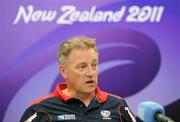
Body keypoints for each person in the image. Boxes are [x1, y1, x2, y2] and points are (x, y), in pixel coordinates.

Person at [20, 36, 136, 122]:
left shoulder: (118, 105)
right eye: (82, 67)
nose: (91, 73)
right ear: (63, 71)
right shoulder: (40, 109)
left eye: (94, 65)